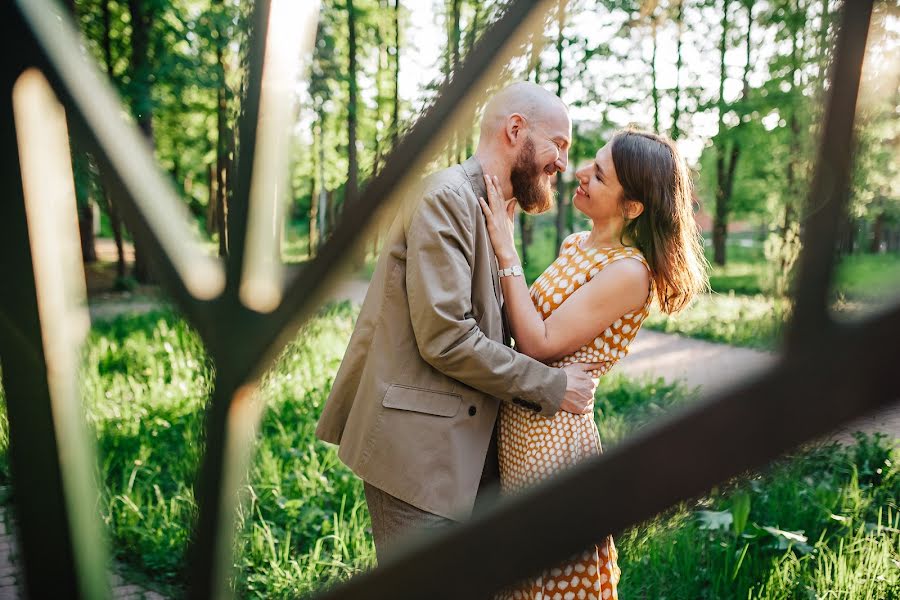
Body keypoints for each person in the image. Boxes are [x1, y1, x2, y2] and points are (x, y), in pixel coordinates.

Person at [314, 82, 604, 562]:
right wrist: (552, 386)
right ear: (515, 130)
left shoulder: (494, 209)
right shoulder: (445, 197)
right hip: (417, 458)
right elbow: (447, 338)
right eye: (559, 144)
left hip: (471, 453)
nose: (562, 164)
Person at [479, 129, 709, 600]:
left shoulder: (629, 273)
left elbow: (538, 343)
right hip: (521, 421)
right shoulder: (575, 244)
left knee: (540, 572)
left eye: (599, 175)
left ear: (633, 207)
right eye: (593, 162)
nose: (579, 172)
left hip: (553, 439)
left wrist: (505, 247)